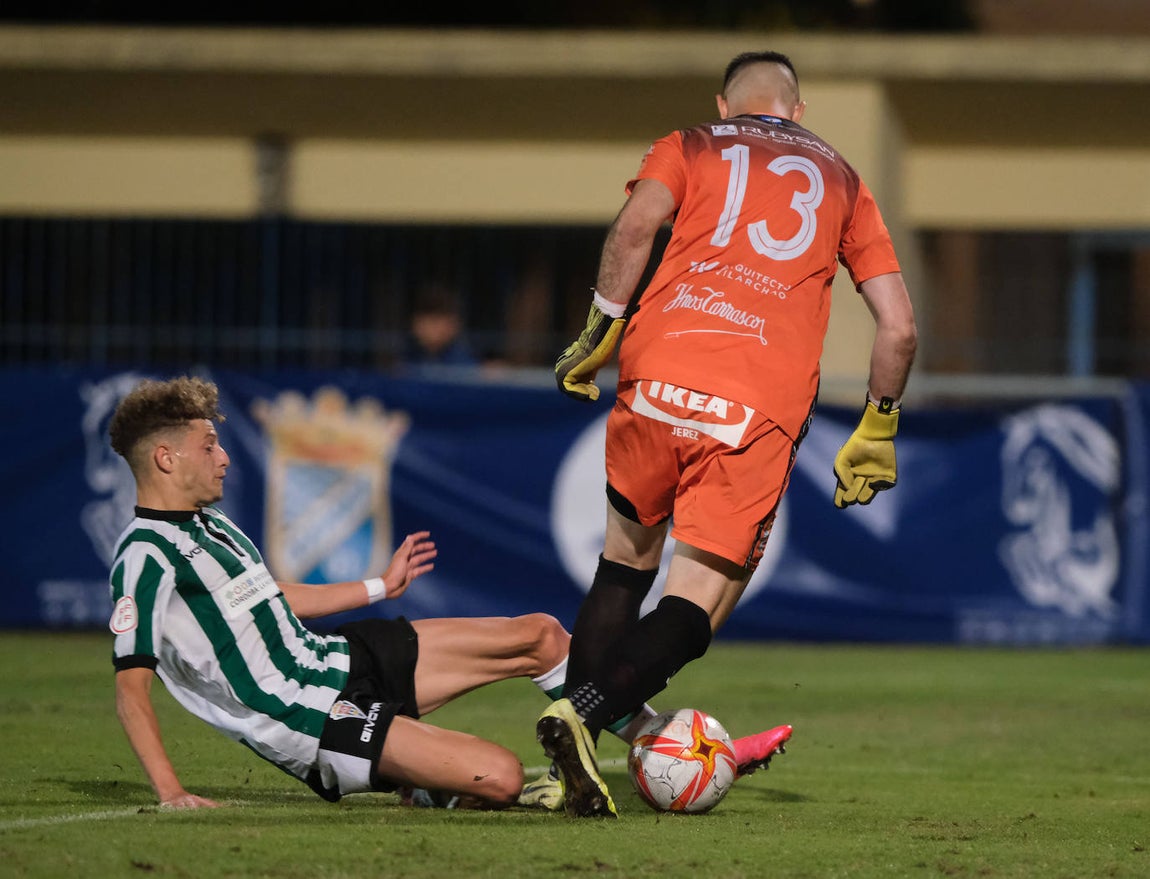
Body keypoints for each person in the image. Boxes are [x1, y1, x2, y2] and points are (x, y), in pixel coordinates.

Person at [106, 375, 790, 812]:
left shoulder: (212, 528)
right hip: (313, 722)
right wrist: (171, 793)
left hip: (338, 660)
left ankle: (676, 744)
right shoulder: (143, 555)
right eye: (208, 445)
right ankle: (431, 779)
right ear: (164, 457)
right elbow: (132, 686)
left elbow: (273, 596)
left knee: (542, 635)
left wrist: (380, 584)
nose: (224, 455)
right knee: (498, 774)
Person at [539, 50, 918, 818]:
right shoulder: (843, 179)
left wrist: (597, 330)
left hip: (656, 374)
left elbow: (636, 224)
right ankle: (576, 713)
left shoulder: (690, 142)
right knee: (698, 605)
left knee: (621, 569)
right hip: (753, 401)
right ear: (798, 111)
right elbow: (899, 327)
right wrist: (878, 422)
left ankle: (562, 763)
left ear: (724, 105)